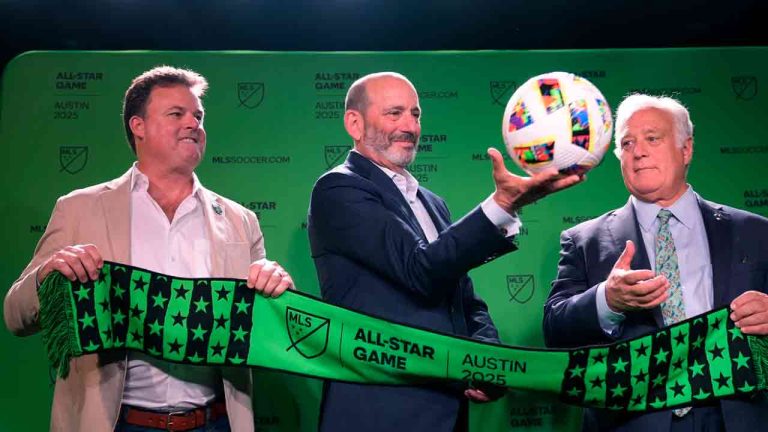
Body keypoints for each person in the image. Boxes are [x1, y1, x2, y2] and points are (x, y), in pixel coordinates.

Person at [3, 66, 294, 432]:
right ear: (137, 126)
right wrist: (47, 274)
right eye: (177, 114)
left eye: (198, 116)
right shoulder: (78, 208)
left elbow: (268, 329)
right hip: (118, 423)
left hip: (214, 422)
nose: (194, 124)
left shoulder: (241, 220)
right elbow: (16, 316)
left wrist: (280, 288)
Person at [307, 71, 583, 432]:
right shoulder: (338, 189)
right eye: (394, 114)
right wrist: (501, 204)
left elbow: (463, 300)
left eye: (416, 114)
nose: (410, 125)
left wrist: (487, 362)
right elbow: (420, 270)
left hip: (448, 414)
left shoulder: (433, 204)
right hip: (377, 413)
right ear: (354, 123)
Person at [543, 94, 768, 431]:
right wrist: (608, 300)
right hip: (633, 422)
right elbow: (554, 330)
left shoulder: (754, 232)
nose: (638, 151)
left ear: (686, 149)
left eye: (652, 138)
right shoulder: (584, 241)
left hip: (734, 416)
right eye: (627, 143)